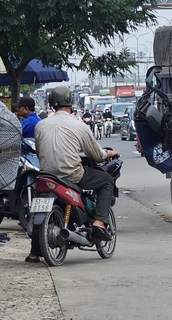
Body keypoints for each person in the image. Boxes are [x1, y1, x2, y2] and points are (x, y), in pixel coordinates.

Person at [26, 86, 119, 263]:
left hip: (46, 175)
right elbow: (97, 155)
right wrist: (110, 153)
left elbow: (40, 152)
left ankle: (34, 252)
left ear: (52, 104)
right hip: (72, 175)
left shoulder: (40, 125)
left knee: (40, 206)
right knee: (106, 181)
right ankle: (99, 221)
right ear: (70, 103)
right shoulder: (79, 125)